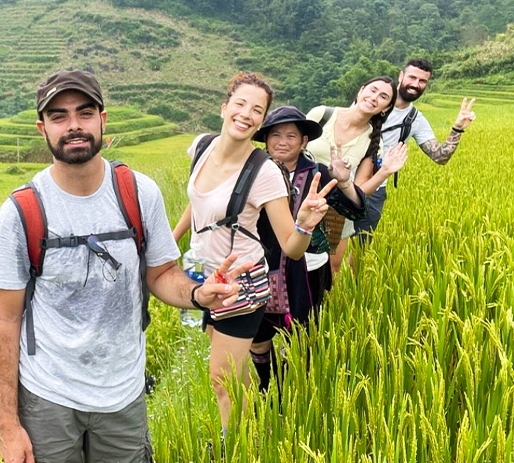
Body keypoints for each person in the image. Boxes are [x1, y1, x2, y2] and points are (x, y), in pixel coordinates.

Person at [0, 69, 248, 463]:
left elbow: (162, 274)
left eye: (84, 113)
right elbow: (3, 319)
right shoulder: (22, 211)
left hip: (122, 394)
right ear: (42, 128)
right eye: (59, 116)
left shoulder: (138, 193)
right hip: (48, 397)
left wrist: (199, 294)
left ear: (103, 120)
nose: (73, 125)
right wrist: (9, 424)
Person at [173, 72, 335, 437]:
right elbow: (199, 204)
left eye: (257, 110)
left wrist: (305, 222)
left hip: (241, 283)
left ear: (261, 121)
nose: (246, 114)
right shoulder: (201, 148)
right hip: (206, 277)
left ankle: (236, 451)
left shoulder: (264, 173)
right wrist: (171, 240)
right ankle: (256, 424)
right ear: (225, 106)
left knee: (220, 378)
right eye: (241, 104)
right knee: (235, 366)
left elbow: (292, 247)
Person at [246, 105, 368, 394]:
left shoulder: (317, 173)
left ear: (304, 142)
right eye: (275, 135)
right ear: (265, 140)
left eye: (291, 135)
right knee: (258, 335)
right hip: (260, 266)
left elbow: (356, 210)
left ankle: (293, 386)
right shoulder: (251, 172)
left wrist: (345, 181)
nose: (282, 142)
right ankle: (268, 385)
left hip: (308, 268)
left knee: (302, 333)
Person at [353, 58, 477, 243]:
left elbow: (440, 156)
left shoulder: (415, 120)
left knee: (360, 246)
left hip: (375, 188)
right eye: (412, 77)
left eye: (422, 81)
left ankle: (355, 273)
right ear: (401, 76)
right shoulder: (373, 101)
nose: (415, 84)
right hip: (342, 179)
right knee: (329, 248)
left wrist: (457, 128)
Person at [305, 75, 407, 274]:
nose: (375, 97)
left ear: (386, 108)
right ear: (361, 91)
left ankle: (324, 306)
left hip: (335, 210)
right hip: (298, 198)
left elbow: (359, 191)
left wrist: (384, 172)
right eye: (372, 90)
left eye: (383, 96)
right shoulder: (321, 114)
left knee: (330, 268)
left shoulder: (372, 141)